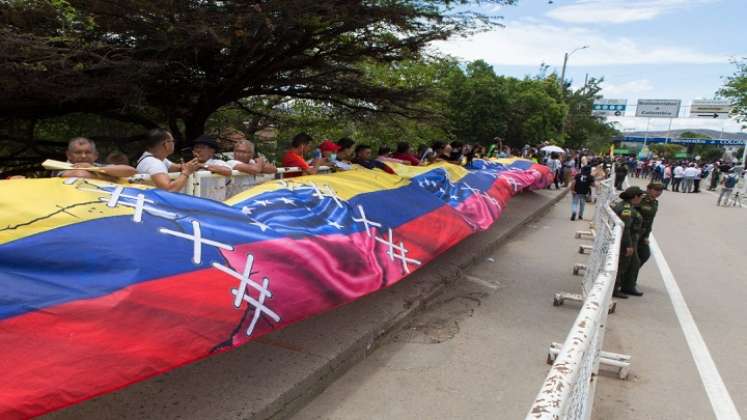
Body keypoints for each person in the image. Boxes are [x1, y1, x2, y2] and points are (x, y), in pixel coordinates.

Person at [627, 182, 664, 296]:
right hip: (634, 232)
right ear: (649, 189)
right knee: (635, 260)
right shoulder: (640, 198)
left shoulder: (654, 202)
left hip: (642, 234)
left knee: (644, 254)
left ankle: (629, 279)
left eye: (660, 191)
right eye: (656, 190)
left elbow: (649, 221)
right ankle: (628, 284)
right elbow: (630, 210)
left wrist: (646, 236)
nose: (658, 193)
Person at [136, 128, 201, 192]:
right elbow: (169, 189)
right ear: (166, 144)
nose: (174, 144)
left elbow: (178, 167)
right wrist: (186, 172)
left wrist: (195, 164)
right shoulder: (155, 163)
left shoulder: (152, 159)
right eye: (173, 141)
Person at [612, 186, 644, 299]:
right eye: (640, 196)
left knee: (631, 263)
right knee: (621, 265)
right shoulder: (627, 210)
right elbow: (625, 229)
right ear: (635, 197)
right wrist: (629, 245)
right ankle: (614, 289)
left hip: (628, 240)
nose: (641, 198)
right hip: (625, 241)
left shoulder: (627, 206)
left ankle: (622, 286)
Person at [59, 137, 136, 179]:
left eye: (88, 152)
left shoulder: (96, 166)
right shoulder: (58, 167)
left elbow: (130, 171)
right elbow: (80, 175)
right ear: (68, 155)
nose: (83, 156)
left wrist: (93, 168)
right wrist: (111, 176)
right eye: (78, 152)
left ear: (95, 155)